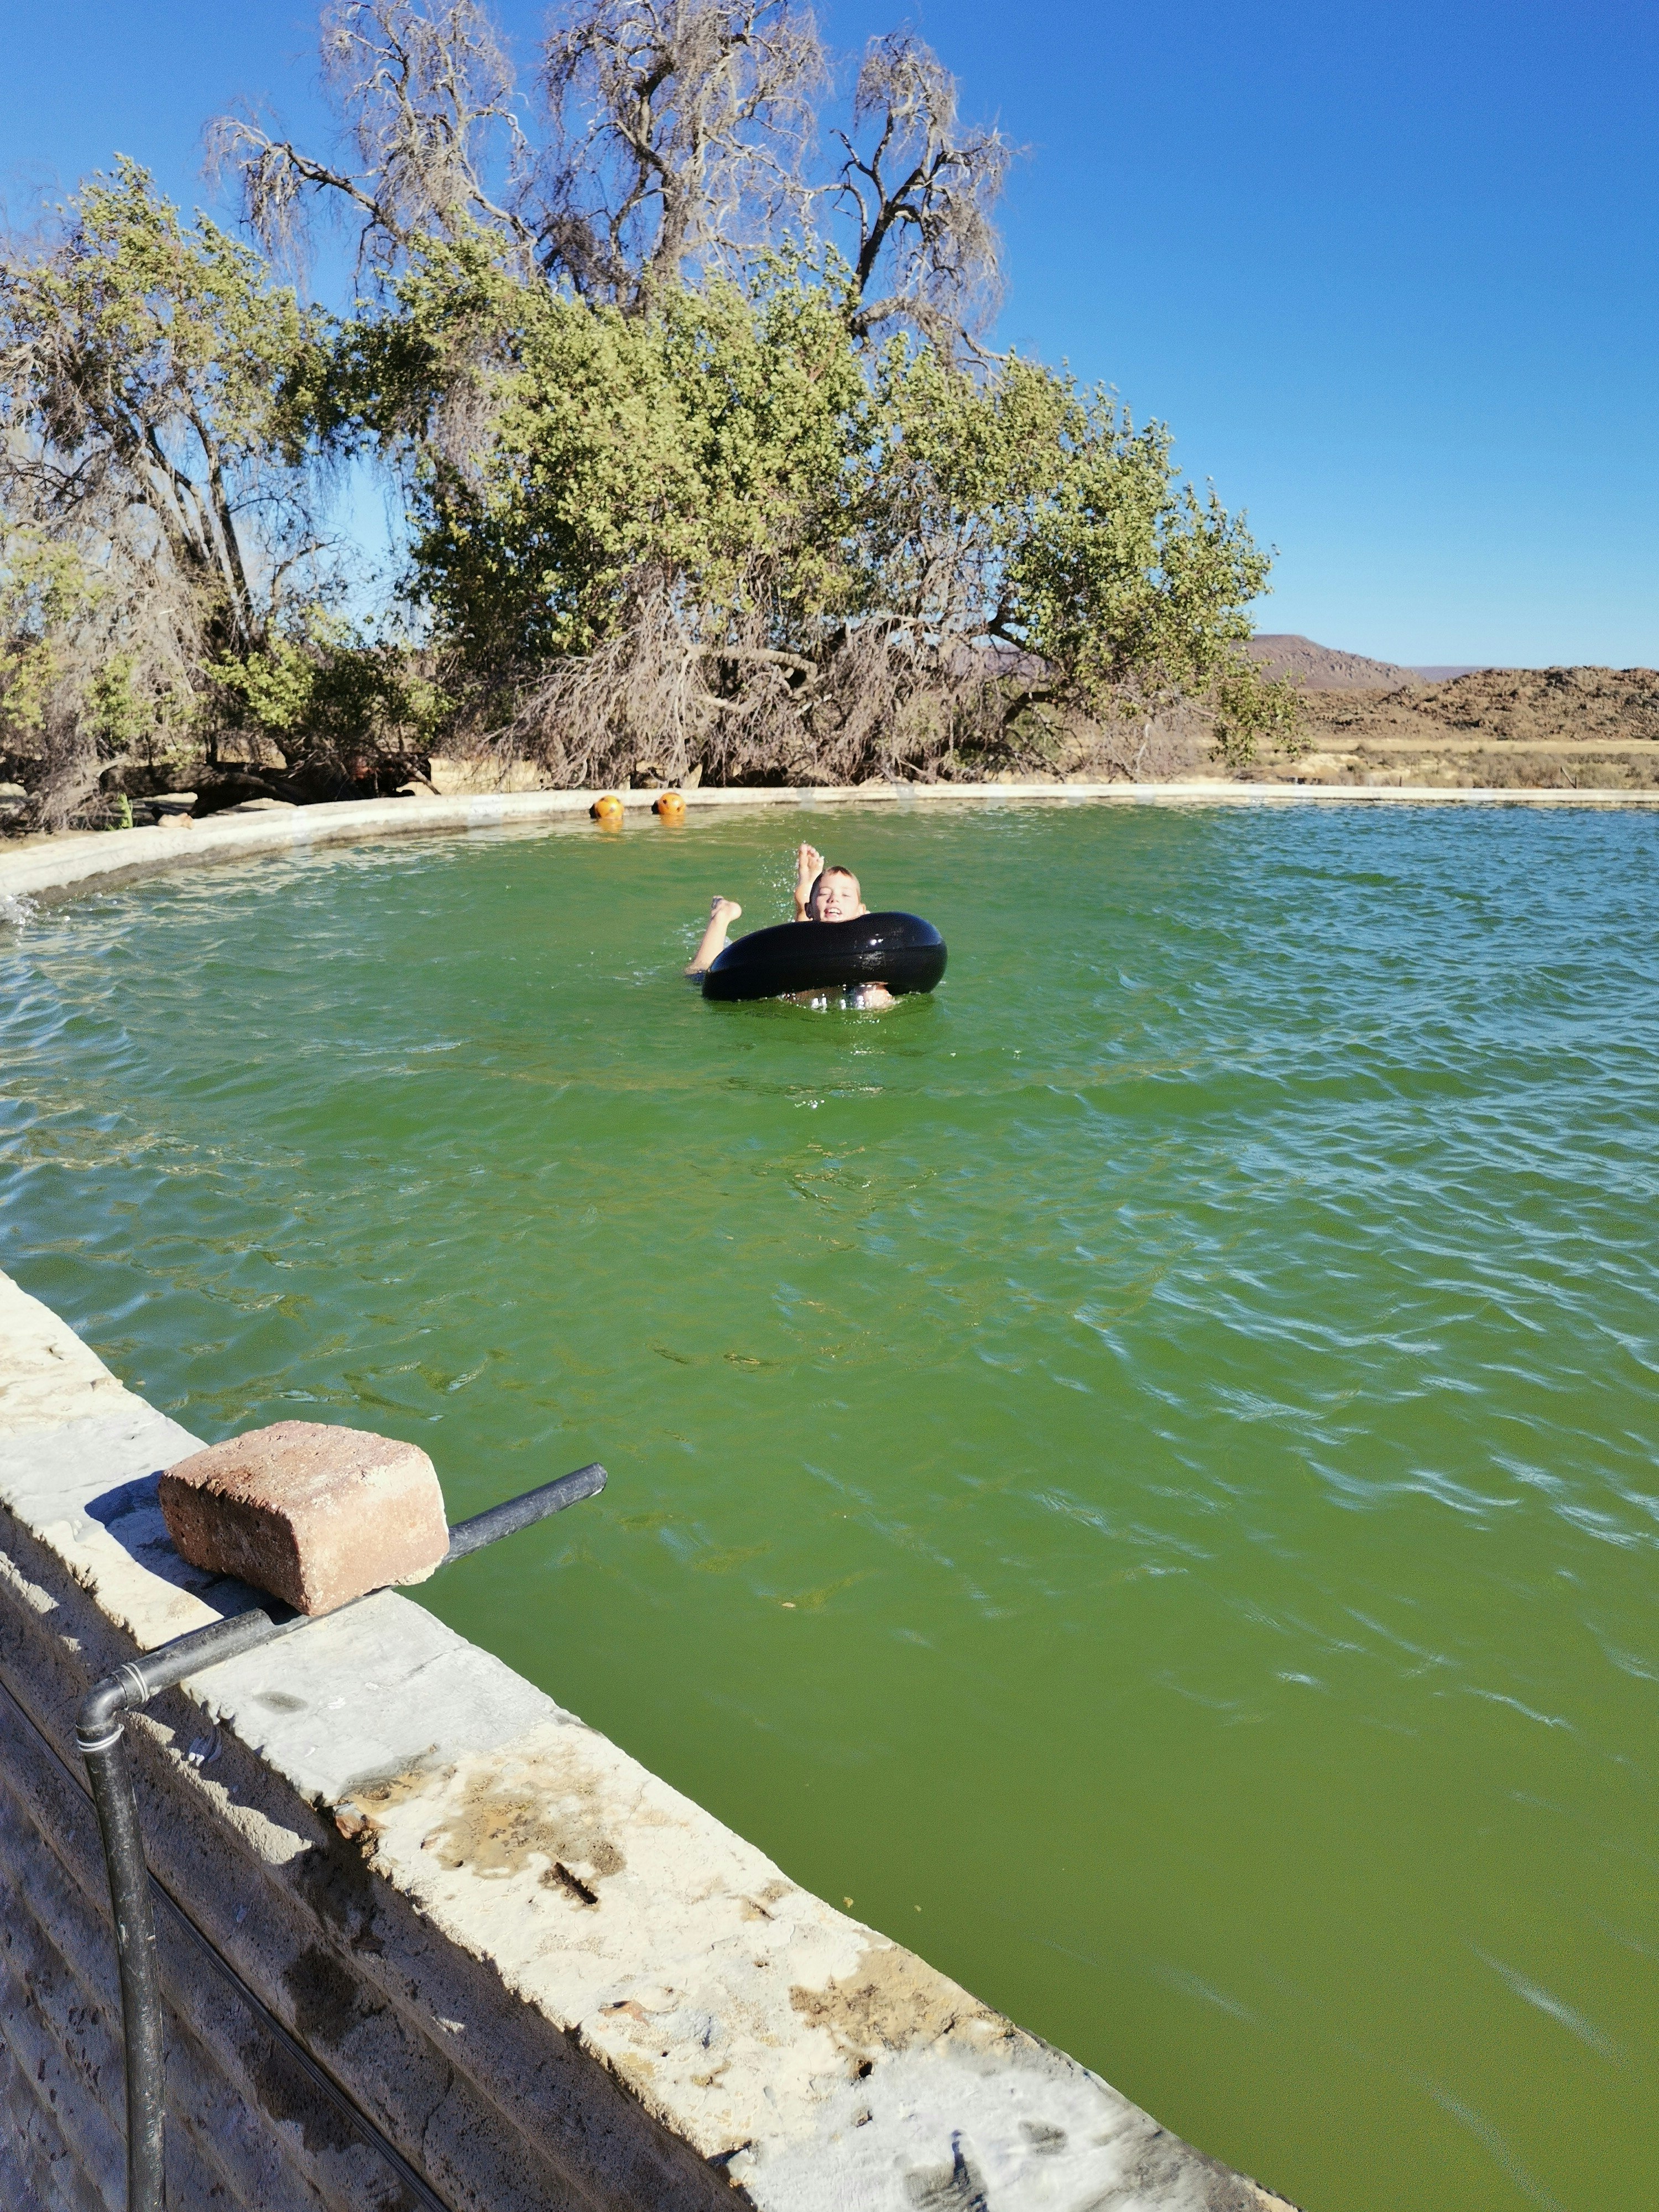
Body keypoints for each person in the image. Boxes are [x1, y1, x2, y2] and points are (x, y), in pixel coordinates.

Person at [684, 843, 896, 1006]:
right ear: (812, 910)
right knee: (697, 975)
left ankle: (806, 894)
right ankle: (721, 916)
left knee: (873, 992)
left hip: (834, 966)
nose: (834, 899)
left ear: (862, 911)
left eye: (846, 895)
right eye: (825, 894)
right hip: (793, 962)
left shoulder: (869, 942)